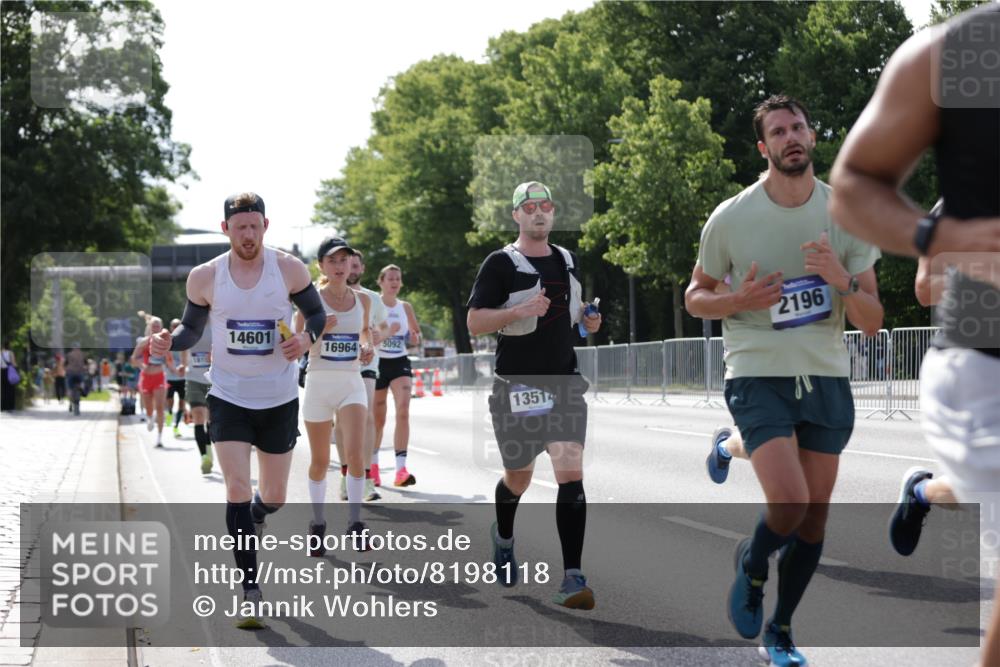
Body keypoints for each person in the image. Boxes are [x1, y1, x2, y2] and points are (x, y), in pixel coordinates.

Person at [828, 8, 1000, 666]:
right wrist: (949, 243)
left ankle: (922, 489)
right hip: (985, 365)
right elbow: (926, 287)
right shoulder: (958, 51)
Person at [690, 95, 884, 665]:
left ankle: (781, 630)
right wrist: (736, 299)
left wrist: (842, 280)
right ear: (764, 147)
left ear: (813, 135)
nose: (790, 136)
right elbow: (695, 297)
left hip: (824, 375)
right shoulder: (731, 217)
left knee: (815, 518)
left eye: (798, 126)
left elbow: (873, 320)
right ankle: (752, 565)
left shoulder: (845, 214)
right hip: (757, 369)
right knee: (791, 501)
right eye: (778, 131)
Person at [149, 192, 325, 630]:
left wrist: (305, 341)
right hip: (228, 395)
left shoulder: (288, 269)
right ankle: (250, 591)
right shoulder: (206, 277)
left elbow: (318, 315)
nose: (248, 234)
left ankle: (259, 515)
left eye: (254, 226)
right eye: (239, 227)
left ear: (266, 225)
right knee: (235, 488)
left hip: (279, 397)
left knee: (277, 496)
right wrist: (172, 341)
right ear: (225, 229)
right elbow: (192, 329)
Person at [467, 181, 602, 609]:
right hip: (516, 387)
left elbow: (577, 317)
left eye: (545, 205)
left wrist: (590, 320)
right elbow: (474, 322)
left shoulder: (567, 260)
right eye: (529, 207)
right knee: (519, 477)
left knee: (570, 470)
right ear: (516, 216)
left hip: (563, 382)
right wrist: (516, 311)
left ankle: (572, 577)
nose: (538, 213)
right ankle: (503, 537)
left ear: (554, 213)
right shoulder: (501, 263)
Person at [295, 236, 375, 554]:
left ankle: (355, 523)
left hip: (351, 381)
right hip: (318, 382)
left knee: (355, 455)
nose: (340, 266)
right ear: (322, 266)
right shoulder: (310, 300)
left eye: (345, 260)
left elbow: (365, 331)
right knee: (319, 460)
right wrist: (319, 330)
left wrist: (367, 345)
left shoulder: (363, 300)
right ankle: (317, 522)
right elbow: (296, 340)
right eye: (333, 261)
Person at [336, 250, 389, 501]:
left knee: (367, 417)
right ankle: (345, 475)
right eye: (348, 265)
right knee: (342, 421)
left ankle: (366, 478)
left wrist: (378, 335)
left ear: (362, 269)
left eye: (356, 265)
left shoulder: (372, 298)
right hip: (337, 365)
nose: (351, 269)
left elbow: (384, 327)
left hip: (366, 363)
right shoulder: (329, 295)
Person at [373, 264, 422, 487]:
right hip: (377, 362)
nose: (394, 282)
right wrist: (386, 333)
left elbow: (415, 336)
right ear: (381, 282)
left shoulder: (406, 307)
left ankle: (401, 469)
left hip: (400, 361)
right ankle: (372, 466)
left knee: (403, 410)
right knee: (378, 418)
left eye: (398, 278)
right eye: (390, 278)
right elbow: (368, 336)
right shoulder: (373, 303)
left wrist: (413, 338)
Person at [131, 315, 174, 446]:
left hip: (159, 376)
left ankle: (159, 438)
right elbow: (133, 360)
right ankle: (150, 417)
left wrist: (177, 370)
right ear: (149, 327)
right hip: (146, 377)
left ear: (161, 327)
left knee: (160, 408)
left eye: (158, 326)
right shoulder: (143, 342)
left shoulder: (164, 341)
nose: (155, 328)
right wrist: (141, 364)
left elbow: (169, 360)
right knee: (149, 407)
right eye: (153, 325)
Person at [181, 328, 213, 475]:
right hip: (193, 378)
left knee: (212, 420)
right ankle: (204, 457)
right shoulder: (191, 322)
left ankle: (209, 450)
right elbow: (183, 344)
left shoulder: (217, 319)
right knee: (199, 416)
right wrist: (184, 363)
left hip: (213, 379)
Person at [165, 319, 188, 439]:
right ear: (170, 327)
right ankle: (169, 414)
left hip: (182, 377)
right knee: (170, 400)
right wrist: (175, 370)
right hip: (170, 376)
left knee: (182, 402)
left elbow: (186, 356)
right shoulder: (168, 340)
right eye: (173, 325)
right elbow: (168, 359)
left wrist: (183, 367)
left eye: (178, 326)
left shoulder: (185, 340)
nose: (175, 327)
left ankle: (176, 425)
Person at [66, 343, 87, 417]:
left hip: (71, 373)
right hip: (80, 373)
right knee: (82, 382)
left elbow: (65, 364)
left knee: (69, 388)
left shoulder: (69, 354)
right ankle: (83, 391)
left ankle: (70, 402)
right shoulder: (82, 354)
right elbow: (86, 363)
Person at [0, 341, 17, 411]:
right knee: (10, 390)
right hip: (9, 372)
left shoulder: (1, 353)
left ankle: (3, 406)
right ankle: (10, 407)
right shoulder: (10, 353)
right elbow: (13, 363)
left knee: (3, 390)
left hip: (2, 372)